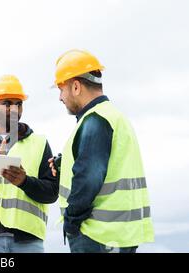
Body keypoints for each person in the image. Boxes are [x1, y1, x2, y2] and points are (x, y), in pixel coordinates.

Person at [49, 49, 154, 253]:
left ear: (76, 86)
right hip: (119, 235)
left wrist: (70, 223)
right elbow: (107, 168)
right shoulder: (113, 117)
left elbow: (89, 178)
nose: (60, 97)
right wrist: (66, 166)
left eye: (61, 90)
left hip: (97, 234)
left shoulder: (95, 121)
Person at [0, 75, 58, 253]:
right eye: (7, 103)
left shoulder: (39, 143)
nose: (14, 109)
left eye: (18, 103)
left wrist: (25, 182)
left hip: (28, 240)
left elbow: (52, 193)